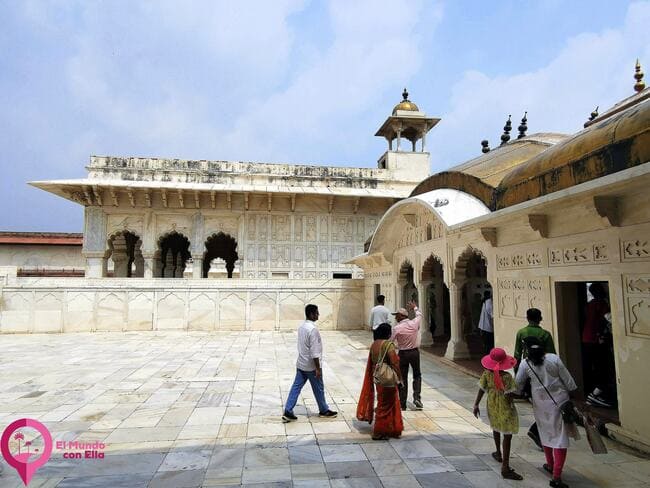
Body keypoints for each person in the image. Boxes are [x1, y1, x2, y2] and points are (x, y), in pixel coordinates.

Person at [516, 338, 577, 488]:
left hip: (541, 405)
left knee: (546, 434)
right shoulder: (554, 359)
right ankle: (556, 476)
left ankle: (551, 465)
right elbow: (569, 382)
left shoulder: (526, 363)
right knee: (559, 439)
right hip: (560, 403)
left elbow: (517, 385)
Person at [473, 347, 523, 481]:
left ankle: (498, 452)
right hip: (505, 406)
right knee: (507, 434)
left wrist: (476, 404)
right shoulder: (507, 378)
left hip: (492, 404)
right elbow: (510, 395)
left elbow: (481, 389)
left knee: (495, 426)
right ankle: (505, 467)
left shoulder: (486, 374)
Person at [282, 304, 338, 422]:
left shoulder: (302, 327)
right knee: (319, 388)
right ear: (311, 314)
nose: (318, 315)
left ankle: (288, 410)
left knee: (296, 387)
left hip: (301, 364)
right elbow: (314, 352)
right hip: (311, 366)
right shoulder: (313, 330)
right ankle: (323, 410)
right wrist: (317, 368)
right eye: (317, 313)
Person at [513, 307, 556, 449]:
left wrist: (518, 372)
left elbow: (517, 353)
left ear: (527, 318)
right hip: (542, 372)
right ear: (540, 318)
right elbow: (551, 355)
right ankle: (537, 431)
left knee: (537, 403)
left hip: (527, 370)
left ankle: (538, 431)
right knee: (544, 405)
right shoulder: (545, 334)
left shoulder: (522, 332)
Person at [357, 322, 404, 440]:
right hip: (387, 379)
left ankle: (388, 429)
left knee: (383, 401)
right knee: (386, 405)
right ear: (388, 333)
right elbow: (395, 363)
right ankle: (379, 431)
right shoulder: (388, 345)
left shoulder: (374, 345)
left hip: (378, 378)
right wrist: (400, 378)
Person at [581, 283, 614, 408]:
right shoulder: (601, 303)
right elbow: (609, 318)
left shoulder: (589, 304)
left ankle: (593, 392)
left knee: (593, 365)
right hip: (596, 339)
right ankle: (597, 394)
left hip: (587, 338)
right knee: (603, 367)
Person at [391, 299, 423, 410]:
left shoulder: (397, 328)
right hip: (414, 353)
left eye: (397, 315)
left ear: (401, 316)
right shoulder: (414, 323)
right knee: (417, 375)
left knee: (402, 377)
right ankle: (417, 397)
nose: (395, 318)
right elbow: (419, 314)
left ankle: (402, 403)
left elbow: (391, 342)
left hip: (403, 354)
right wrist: (415, 307)